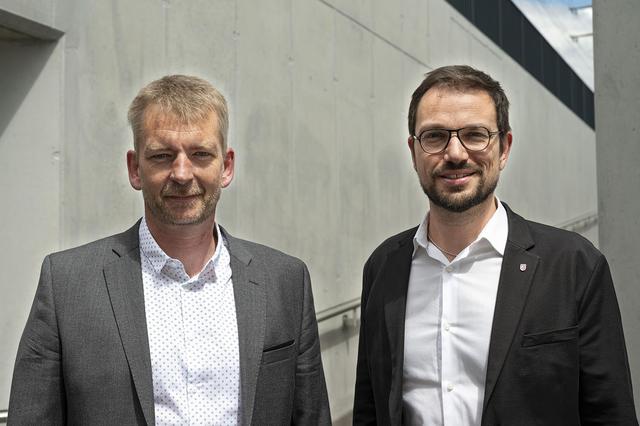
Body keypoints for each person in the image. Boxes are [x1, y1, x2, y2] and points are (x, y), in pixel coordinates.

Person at [9, 75, 330, 425]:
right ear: (135, 168)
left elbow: (310, 416)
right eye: (162, 156)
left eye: (200, 154)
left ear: (226, 166)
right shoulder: (68, 284)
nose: (181, 173)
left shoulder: (284, 281)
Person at [353, 65, 638, 425]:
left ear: (504, 148)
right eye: (435, 136)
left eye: (475, 135)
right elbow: (369, 409)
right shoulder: (384, 267)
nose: (455, 153)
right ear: (414, 152)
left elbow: (610, 414)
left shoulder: (573, 265)